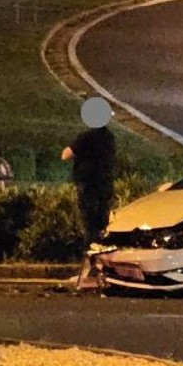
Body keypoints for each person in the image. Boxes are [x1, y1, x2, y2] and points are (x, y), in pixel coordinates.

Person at [62, 101, 117, 287]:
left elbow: (66, 155)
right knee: (101, 227)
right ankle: (101, 268)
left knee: (90, 228)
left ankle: (88, 271)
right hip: (105, 186)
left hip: (89, 187)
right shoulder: (110, 138)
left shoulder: (86, 137)